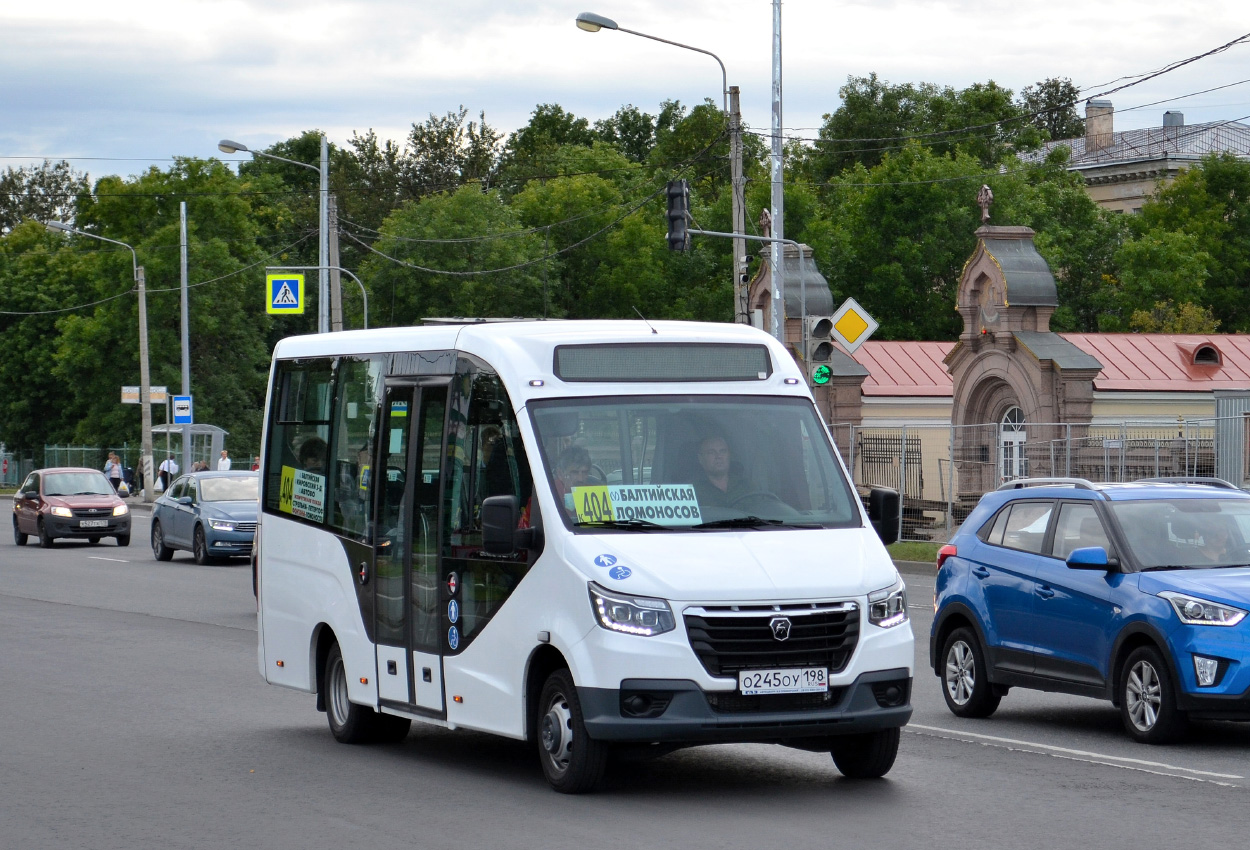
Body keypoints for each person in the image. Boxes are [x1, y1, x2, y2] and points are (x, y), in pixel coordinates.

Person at [694, 435, 747, 508]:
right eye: (711, 452)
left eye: (723, 451)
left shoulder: (746, 486)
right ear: (700, 458)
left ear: (729, 455)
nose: (718, 456)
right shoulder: (691, 491)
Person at [552, 445, 591, 517]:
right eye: (574, 472)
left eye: (584, 472)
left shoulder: (593, 493)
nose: (580, 479)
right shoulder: (550, 493)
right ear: (560, 473)